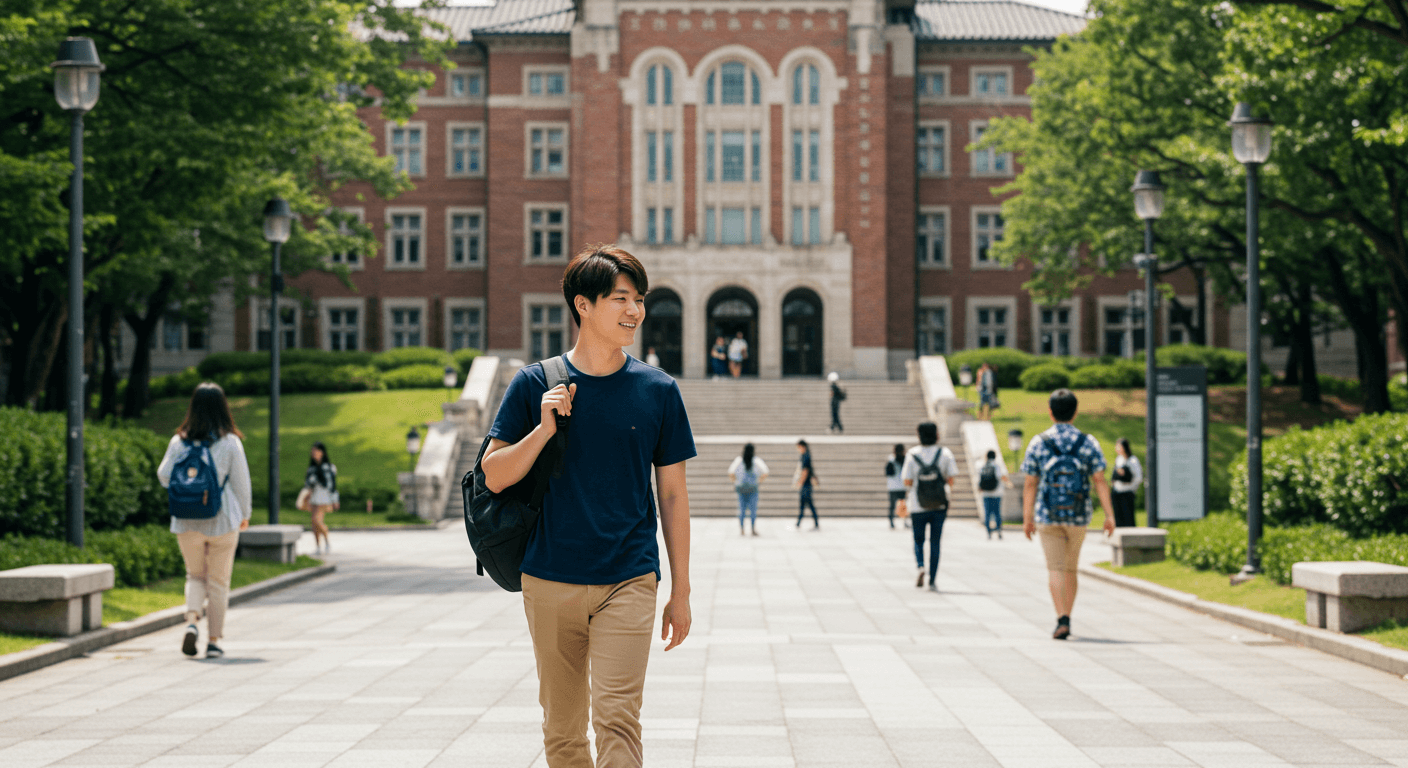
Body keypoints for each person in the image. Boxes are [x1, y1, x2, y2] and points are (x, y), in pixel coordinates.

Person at [481, 244, 696, 768]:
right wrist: (543, 428)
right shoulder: (534, 383)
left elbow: (671, 493)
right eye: (621, 298)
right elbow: (494, 473)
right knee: (563, 729)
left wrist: (681, 590)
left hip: (629, 576)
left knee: (618, 719)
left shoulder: (658, 390)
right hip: (551, 577)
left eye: (640, 299)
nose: (635, 311)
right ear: (583, 304)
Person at [156, 382, 252, 660]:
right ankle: (213, 641)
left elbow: (164, 475)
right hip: (222, 521)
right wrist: (244, 515)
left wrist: (187, 485)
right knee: (219, 582)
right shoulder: (230, 442)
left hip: (186, 522)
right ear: (224, 408)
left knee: (195, 575)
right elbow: (241, 484)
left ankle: (191, 621)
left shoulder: (179, 441)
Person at [1021, 388, 1116, 640]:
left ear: (1050, 412)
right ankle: (1068, 617)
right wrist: (1109, 515)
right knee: (1070, 569)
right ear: (1075, 413)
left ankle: (1060, 618)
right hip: (1078, 516)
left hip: (1047, 515)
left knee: (1055, 568)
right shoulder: (1088, 442)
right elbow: (1099, 479)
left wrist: (1027, 517)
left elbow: (1030, 483)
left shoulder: (1039, 442)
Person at [902, 422, 957, 592]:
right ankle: (932, 579)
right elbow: (951, 478)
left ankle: (920, 566)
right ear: (937, 435)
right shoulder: (944, 453)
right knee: (935, 542)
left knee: (918, 540)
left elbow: (907, 481)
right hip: (939, 505)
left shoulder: (912, 454)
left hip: (918, 505)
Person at [303, 442, 338, 554]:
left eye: (315, 450)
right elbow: (308, 484)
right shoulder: (311, 468)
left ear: (321, 452)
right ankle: (318, 546)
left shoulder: (329, 467)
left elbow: (332, 485)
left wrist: (335, 500)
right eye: (312, 451)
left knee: (316, 520)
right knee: (314, 524)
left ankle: (327, 539)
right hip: (313, 497)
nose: (313, 453)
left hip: (324, 497)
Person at [729, 443, 769, 536]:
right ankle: (753, 529)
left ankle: (742, 529)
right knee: (753, 510)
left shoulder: (739, 460)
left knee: (742, 510)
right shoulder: (756, 460)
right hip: (753, 488)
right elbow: (765, 472)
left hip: (741, 488)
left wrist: (735, 482)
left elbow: (731, 472)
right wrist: (758, 481)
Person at [977, 449, 1015, 540]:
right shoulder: (997, 466)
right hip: (997, 493)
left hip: (986, 494)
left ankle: (988, 532)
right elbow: (1002, 476)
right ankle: (998, 531)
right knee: (997, 513)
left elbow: (979, 481)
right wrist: (1009, 483)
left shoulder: (982, 466)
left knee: (987, 513)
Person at [1111, 437, 1143, 528]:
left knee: (1128, 517)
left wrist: (1131, 486)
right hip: (1117, 492)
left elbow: (1138, 477)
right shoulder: (1119, 459)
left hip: (1127, 492)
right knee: (1118, 517)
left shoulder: (1132, 460)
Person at [793, 439, 820, 529]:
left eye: (799, 447)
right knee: (805, 503)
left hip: (806, 485)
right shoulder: (805, 455)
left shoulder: (805, 456)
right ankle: (801, 522)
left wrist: (800, 482)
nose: (798, 449)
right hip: (806, 484)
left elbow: (805, 471)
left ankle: (802, 521)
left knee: (806, 503)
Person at [885, 444, 907, 530]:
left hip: (894, 486)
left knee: (894, 505)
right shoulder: (893, 459)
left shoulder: (892, 459)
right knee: (900, 504)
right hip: (899, 485)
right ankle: (900, 521)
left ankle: (895, 520)